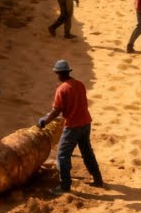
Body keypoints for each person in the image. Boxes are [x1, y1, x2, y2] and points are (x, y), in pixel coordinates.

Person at [38, 60, 105, 194]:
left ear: (57, 73)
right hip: (86, 123)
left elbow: (57, 110)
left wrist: (45, 121)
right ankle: (98, 179)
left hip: (73, 126)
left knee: (62, 156)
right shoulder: (80, 84)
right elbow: (76, 104)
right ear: (69, 71)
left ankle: (65, 186)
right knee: (87, 152)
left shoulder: (61, 89)